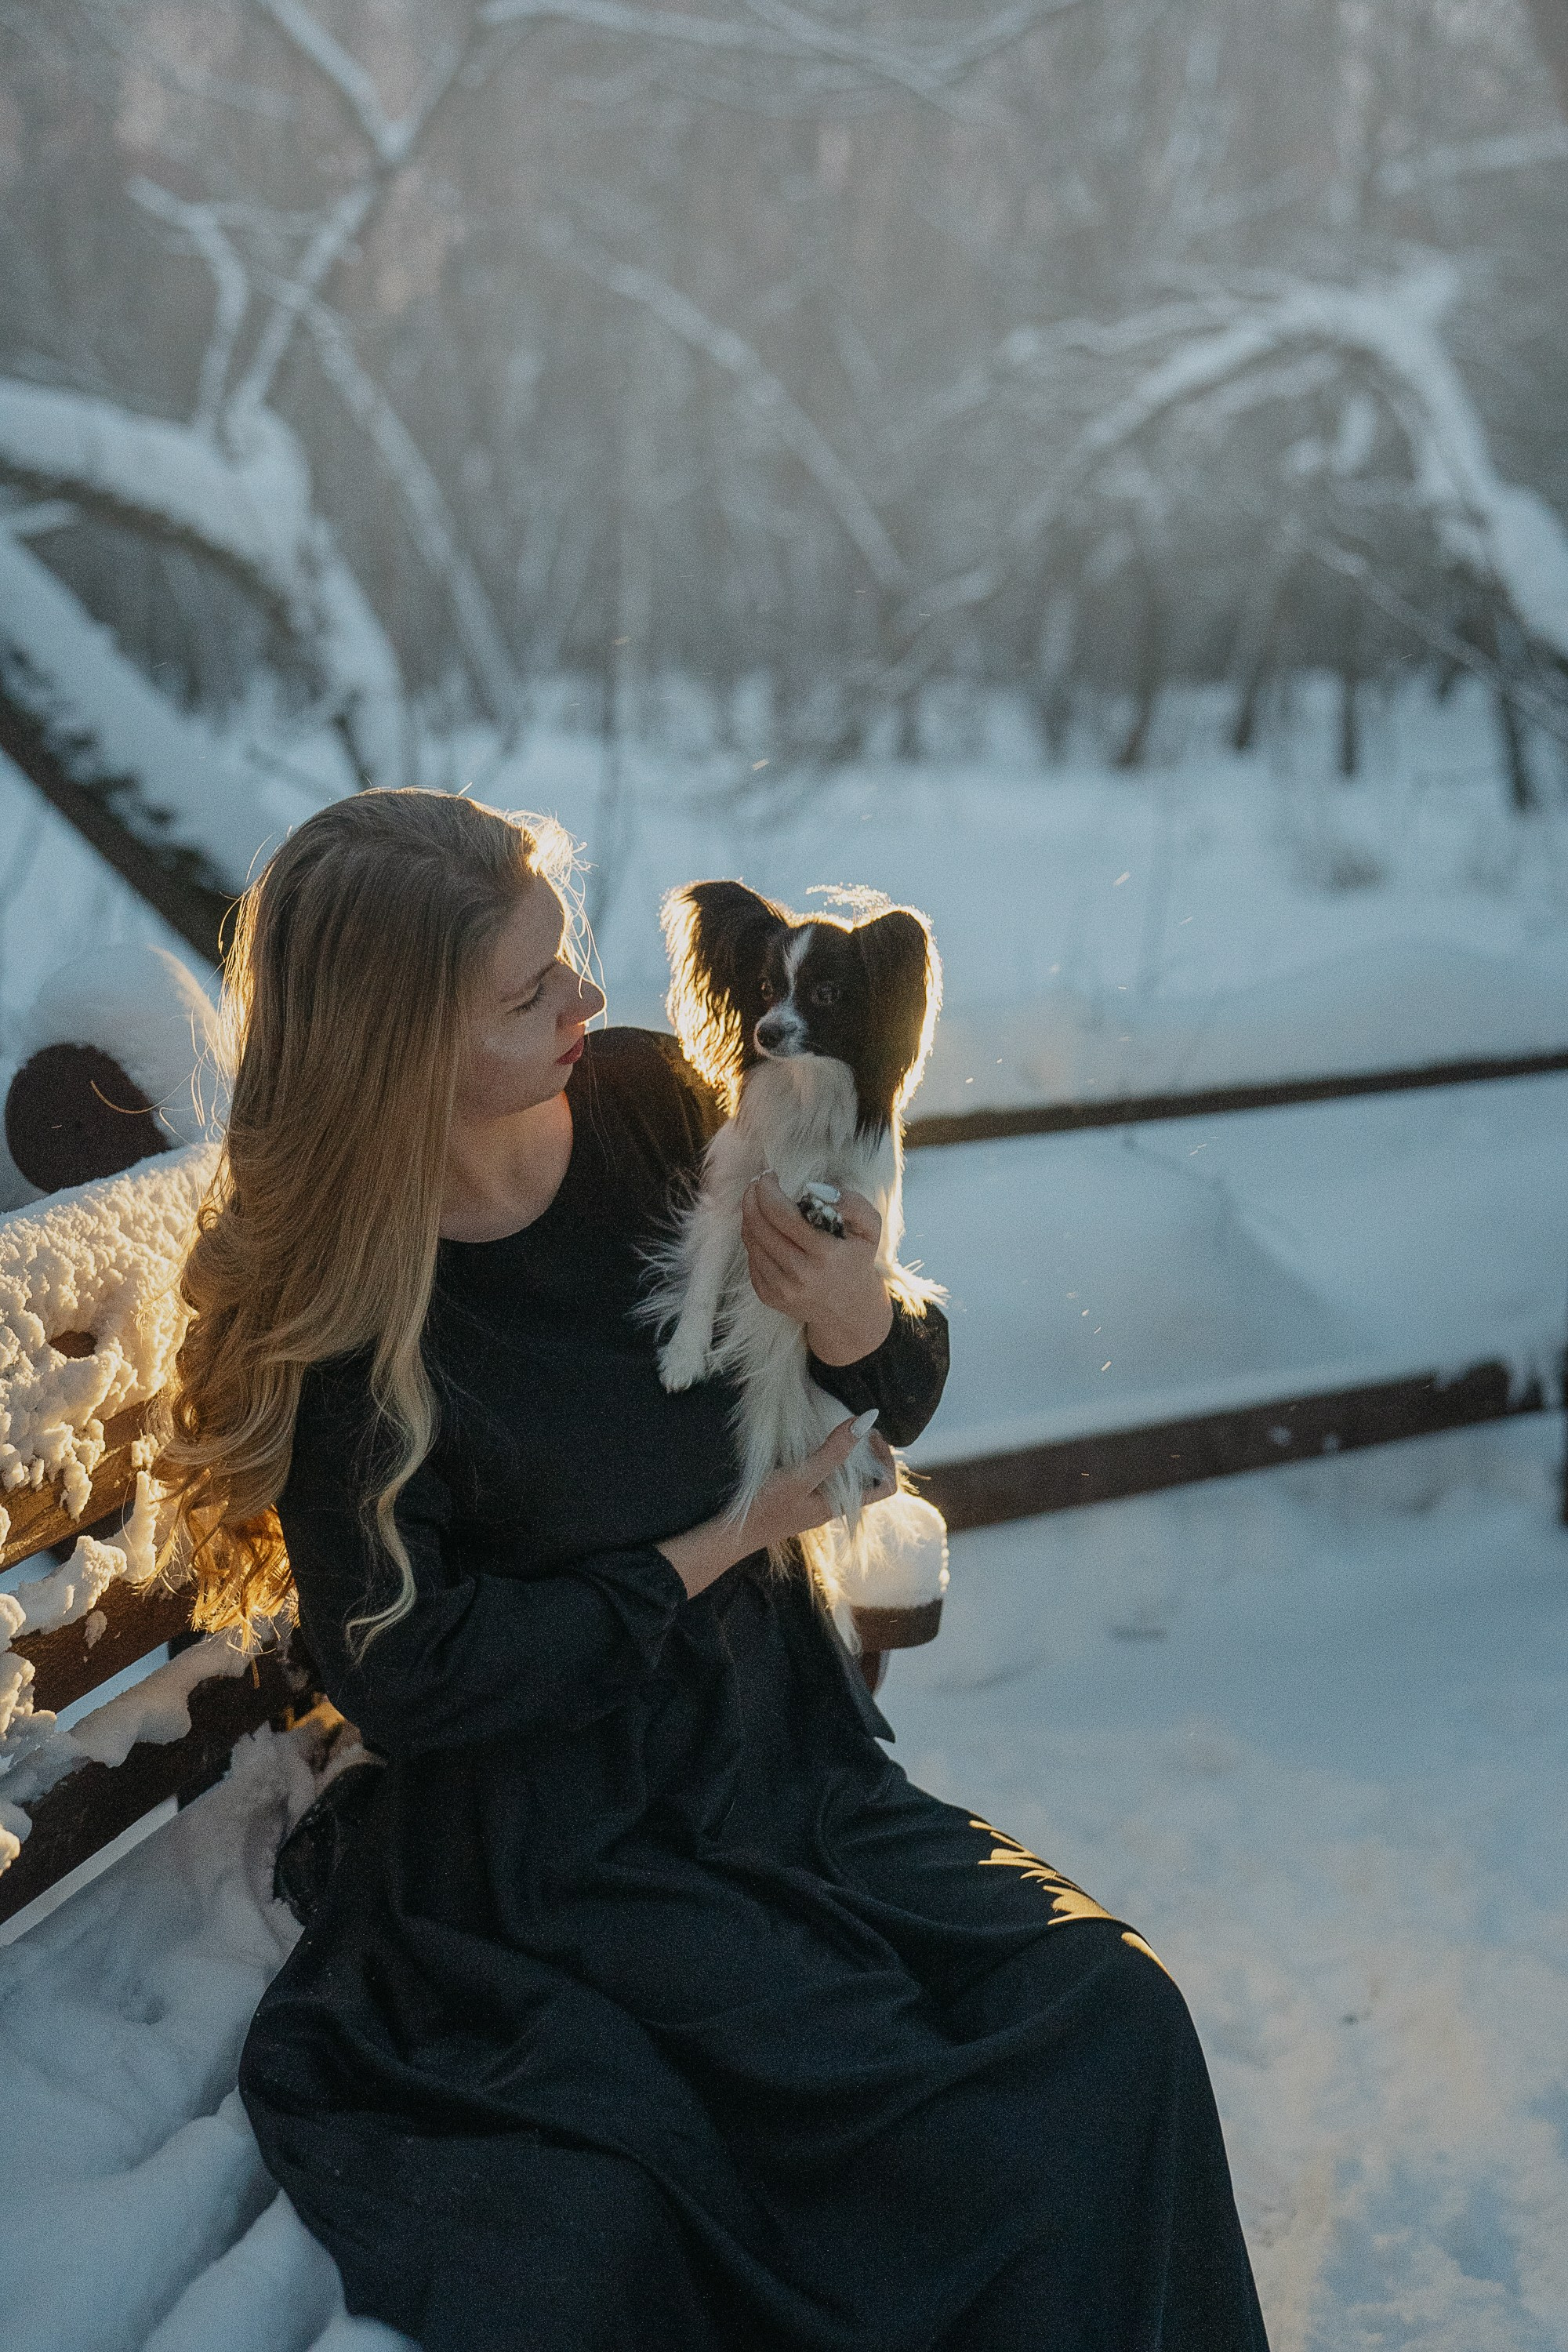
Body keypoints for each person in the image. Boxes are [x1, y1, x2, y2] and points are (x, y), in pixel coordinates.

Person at [159, 789, 1269, 2352]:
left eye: (571, 960)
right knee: (887, 2140)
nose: (589, 1002)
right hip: (562, 1848)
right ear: (403, 1044)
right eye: (530, 990)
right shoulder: (356, 1309)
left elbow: (887, 1385)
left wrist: (859, 1317)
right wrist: (721, 1544)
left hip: (784, 1765)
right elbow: (405, 1676)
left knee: (1106, 2016)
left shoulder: (656, 1114)